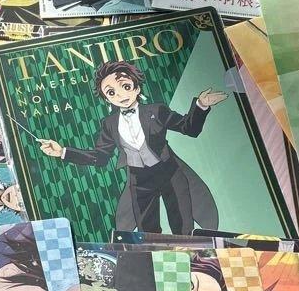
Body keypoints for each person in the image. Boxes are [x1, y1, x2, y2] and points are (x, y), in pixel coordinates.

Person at [38, 60, 227, 234]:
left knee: (183, 227)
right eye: (111, 93)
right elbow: (100, 157)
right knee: (148, 234)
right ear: (107, 99)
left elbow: (189, 128)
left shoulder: (156, 110)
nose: (120, 95)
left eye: (126, 86)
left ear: (136, 87)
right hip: (139, 180)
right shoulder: (109, 123)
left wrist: (201, 105)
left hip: (169, 172)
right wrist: (62, 152)